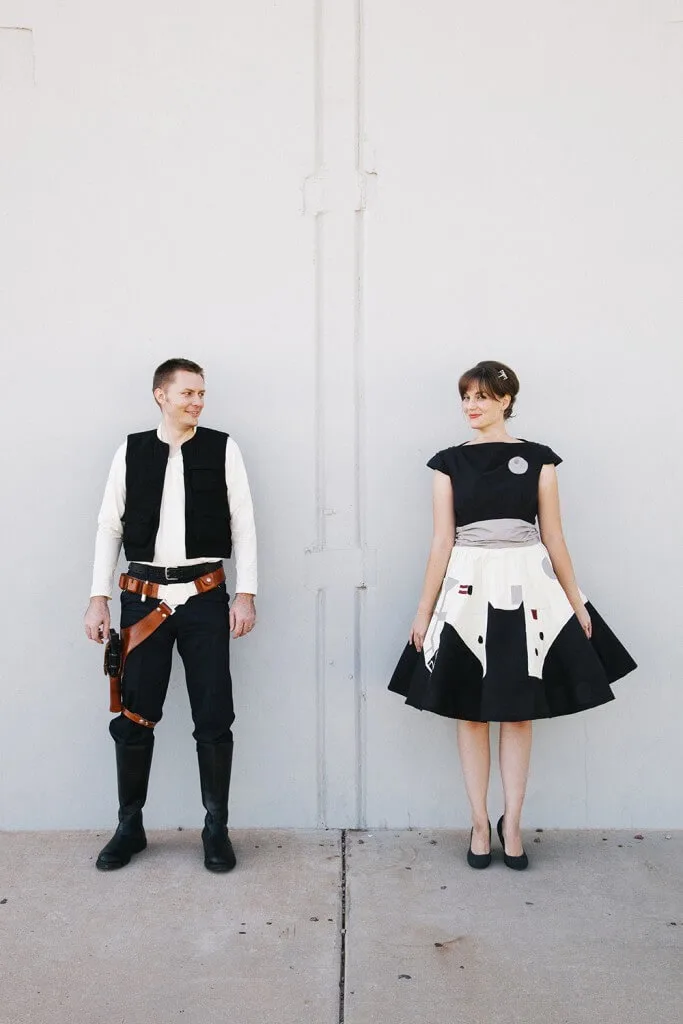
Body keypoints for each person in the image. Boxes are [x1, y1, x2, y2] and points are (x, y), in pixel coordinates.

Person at [389, 360, 636, 870]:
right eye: (464, 398)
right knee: (471, 711)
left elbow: (554, 535)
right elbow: (441, 539)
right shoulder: (447, 463)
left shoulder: (540, 459)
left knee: (520, 711)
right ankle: (480, 822)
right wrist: (424, 611)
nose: (471, 407)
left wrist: (575, 601)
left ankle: (513, 822)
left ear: (505, 400)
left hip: (528, 583)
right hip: (468, 584)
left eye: (481, 397)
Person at [84, 358, 257, 873]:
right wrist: (99, 598)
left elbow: (243, 522)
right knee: (133, 715)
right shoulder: (131, 451)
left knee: (214, 715)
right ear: (161, 395)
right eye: (188, 393)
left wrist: (245, 594)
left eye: (202, 393)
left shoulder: (223, 448)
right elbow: (107, 527)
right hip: (143, 599)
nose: (197, 401)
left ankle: (215, 829)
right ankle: (129, 826)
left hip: (205, 596)